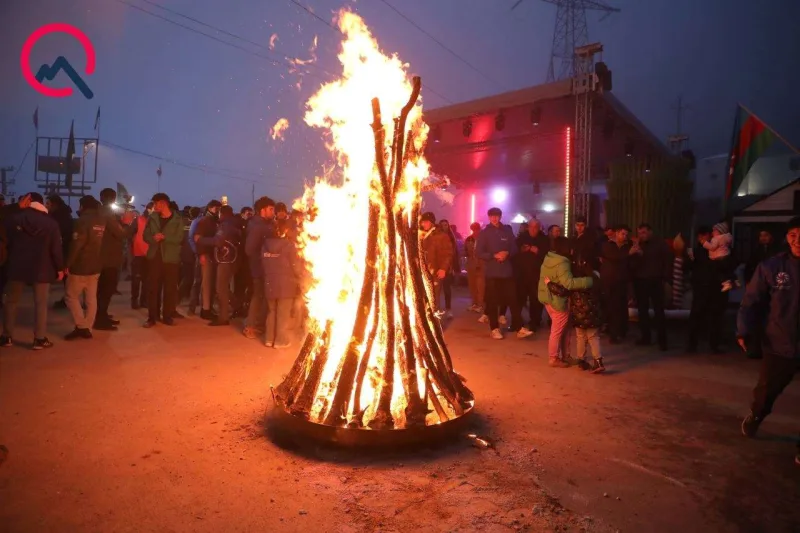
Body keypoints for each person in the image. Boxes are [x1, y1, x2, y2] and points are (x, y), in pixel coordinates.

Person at [737, 216, 800, 467]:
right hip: (779, 342)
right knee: (766, 392)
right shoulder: (773, 267)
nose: (798, 239)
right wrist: (744, 331)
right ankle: (757, 414)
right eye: (794, 233)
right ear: (786, 237)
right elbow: (751, 302)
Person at [0, 192, 64, 349]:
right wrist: (60, 268)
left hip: (16, 267)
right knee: (41, 304)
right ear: (41, 203)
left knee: (11, 302)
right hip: (42, 268)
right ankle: (39, 339)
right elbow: (56, 249)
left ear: (28, 202)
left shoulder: (13, 219)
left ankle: (7, 336)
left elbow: (4, 243)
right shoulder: (51, 223)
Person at [538, 237, 593, 367]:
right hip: (558, 300)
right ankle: (554, 358)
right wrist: (589, 281)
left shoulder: (549, 258)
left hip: (548, 298)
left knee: (564, 329)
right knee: (557, 330)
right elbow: (569, 283)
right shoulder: (563, 263)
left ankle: (565, 356)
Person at [476, 207, 528, 340]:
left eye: (497, 216)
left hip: (507, 272)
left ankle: (519, 328)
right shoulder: (484, 233)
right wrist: (494, 255)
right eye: (492, 216)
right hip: (492, 272)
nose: (495, 218)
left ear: (500, 216)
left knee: (513, 300)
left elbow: (515, 248)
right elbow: (479, 252)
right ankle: (494, 328)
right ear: (489, 217)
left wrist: (507, 253)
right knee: (492, 302)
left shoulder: (507, 231)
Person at [546, 261, 605, 373]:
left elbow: (561, 291)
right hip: (594, 315)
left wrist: (549, 283)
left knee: (580, 337)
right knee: (593, 337)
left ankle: (581, 360)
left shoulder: (575, 283)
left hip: (579, 316)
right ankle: (598, 361)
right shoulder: (595, 280)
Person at [63, 195, 105, 340]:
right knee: (91, 299)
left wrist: (67, 263)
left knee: (70, 296)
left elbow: (77, 244)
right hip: (96, 265)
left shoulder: (82, 221)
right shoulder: (101, 220)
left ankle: (81, 326)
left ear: (83, 206)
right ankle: (87, 327)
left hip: (80, 265)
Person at [142, 193, 184, 328]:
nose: (154, 206)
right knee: (153, 288)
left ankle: (167, 316)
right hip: (155, 257)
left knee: (169, 289)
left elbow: (179, 238)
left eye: (156, 203)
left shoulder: (178, 219)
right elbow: (145, 235)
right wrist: (153, 237)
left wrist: (164, 237)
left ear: (163, 203)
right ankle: (152, 317)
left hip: (171, 258)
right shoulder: (152, 217)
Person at [196, 205, 241, 326]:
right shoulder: (235, 223)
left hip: (225, 259)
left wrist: (200, 240)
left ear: (222, 213)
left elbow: (218, 241)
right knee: (224, 287)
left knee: (220, 288)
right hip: (232, 259)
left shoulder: (225, 225)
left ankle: (223, 317)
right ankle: (238, 306)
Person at [96, 188, 134, 330]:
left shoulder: (102, 211)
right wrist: (128, 224)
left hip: (104, 256)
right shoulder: (107, 213)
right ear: (113, 199)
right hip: (109, 258)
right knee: (106, 289)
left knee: (104, 290)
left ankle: (102, 315)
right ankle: (100, 318)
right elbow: (121, 234)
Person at [629, 223, 671, 351]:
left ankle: (662, 340)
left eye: (644, 232)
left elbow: (667, 261)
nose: (641, 235)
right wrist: (634, 255)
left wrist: (666, 278)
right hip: (640, 281)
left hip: (656, 280)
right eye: (639, 233)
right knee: (642, 310)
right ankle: (645, 337)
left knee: (659, 310)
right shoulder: (637, 245)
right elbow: (632, 265)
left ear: (650, 232)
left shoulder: (660, 244)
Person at [262, 218, 303, 348]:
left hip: (269, 282)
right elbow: (295, 265)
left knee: (271, 311)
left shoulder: (264, 246)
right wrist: (301, 277)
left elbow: (263, 263)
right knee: (283, 312)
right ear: (285, 230)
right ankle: (281, 340)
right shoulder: (289, 246)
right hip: (286, 283)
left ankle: (269, 339)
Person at [685, 226, 724, 353]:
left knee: (714, 317)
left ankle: (714, 345)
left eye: (705, 236)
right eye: (700, 237)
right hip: (700, 289)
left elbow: (726, 266)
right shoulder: (695, 251)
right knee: (696, 316)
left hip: (714, 289)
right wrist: (688, 258)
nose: (702, 239)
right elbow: (686, 267)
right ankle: (692, 345)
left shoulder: (718, 250)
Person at [243, 196, 276, 339]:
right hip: (259, 268)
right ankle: (250, 326)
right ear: (263, 210)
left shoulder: (264, 224)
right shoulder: (258, 226)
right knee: (257, 296)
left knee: (262, 296)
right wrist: (265, 256)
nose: (273, 212)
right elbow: (249, 249)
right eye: (271, 209)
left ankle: (256, 325)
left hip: (265, 268)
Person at [515, 218, 549, 332]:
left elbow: (548, 256)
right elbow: (514, 252)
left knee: (536, 300)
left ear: (539, 228)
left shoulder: (544, 239)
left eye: (536, 227)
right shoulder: (521, 238)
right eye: (532, 227)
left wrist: (538, 251)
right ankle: (517, 322)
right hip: (522, 274)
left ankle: (535, 321)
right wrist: (523, 249)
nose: (534, 229)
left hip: (537, 275)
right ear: (528, 227)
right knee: (519, 298)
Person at [190, 200, 221, 319]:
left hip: (212, 255)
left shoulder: (214, 221)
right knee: (206, 284)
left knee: (210, 283)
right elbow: (197, 238)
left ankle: (208, 308)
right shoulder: (204, 221)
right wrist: (201, 254)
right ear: (210, 208)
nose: (217, 211)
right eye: (215, 208)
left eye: (218, 208)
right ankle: (205, 309)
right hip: (206, 255)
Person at [600, 225, 631, 344]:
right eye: (623, 234)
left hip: (622, 280)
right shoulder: (608, 245)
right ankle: (612, 333)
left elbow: (627, 263)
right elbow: (615, 258)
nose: (625, 236)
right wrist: (629, 254)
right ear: (617, 234)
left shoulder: (627, 246)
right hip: (609, 280)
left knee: (621, 306)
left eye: (626, 235)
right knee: (612, 307)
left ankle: (620, 331)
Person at [419, 212, 453, 318]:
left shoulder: (441, 236)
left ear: (432, 223)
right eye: (422, 222)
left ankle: (434, 322)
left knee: (433, 297)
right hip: (421, 272)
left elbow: (448, 254)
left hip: (434, 271)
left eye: (425, 222)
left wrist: (443, 269)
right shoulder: (420, 235)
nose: (423, 224)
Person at [701, 221, 737, 292]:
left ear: (719, 231)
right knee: (727, 271)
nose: (712, 232)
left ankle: (726, 284)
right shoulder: (726, 238)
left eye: (714, 230)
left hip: (719, 258)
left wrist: (704, 243)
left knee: (720, 272)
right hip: (726, 256)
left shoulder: (716, 239)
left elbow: (712, 247)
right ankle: (735, 280)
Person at [129, 202, 153, 309]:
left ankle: (144, 300)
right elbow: (130, 234)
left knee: (147, 280)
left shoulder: (154, 221)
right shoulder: (138, 220)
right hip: (138, 254)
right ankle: (134, 300)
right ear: (148, 209)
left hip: (150, 254)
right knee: (136, 279)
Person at [437, 219, 459, 318]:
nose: (444, 227)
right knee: (436, 289)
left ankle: (448, 308)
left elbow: (454, 255)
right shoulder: (436, 236)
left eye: (446, 225)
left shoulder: (451, 237)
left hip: (448, 267)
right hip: (437, 266)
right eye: (442, 225)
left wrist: (454, 267)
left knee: (447, 289)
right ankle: (436, 308)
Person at [464, 222, 485, 313]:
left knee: (480, 286)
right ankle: (475, 303)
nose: (475, 230)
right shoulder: (469, 239)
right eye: (473, 229)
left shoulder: (484, 239)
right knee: (472, 285)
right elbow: (465, 251)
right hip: (471, 264)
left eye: (476, 228)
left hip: (481, 264)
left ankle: (480, 304)